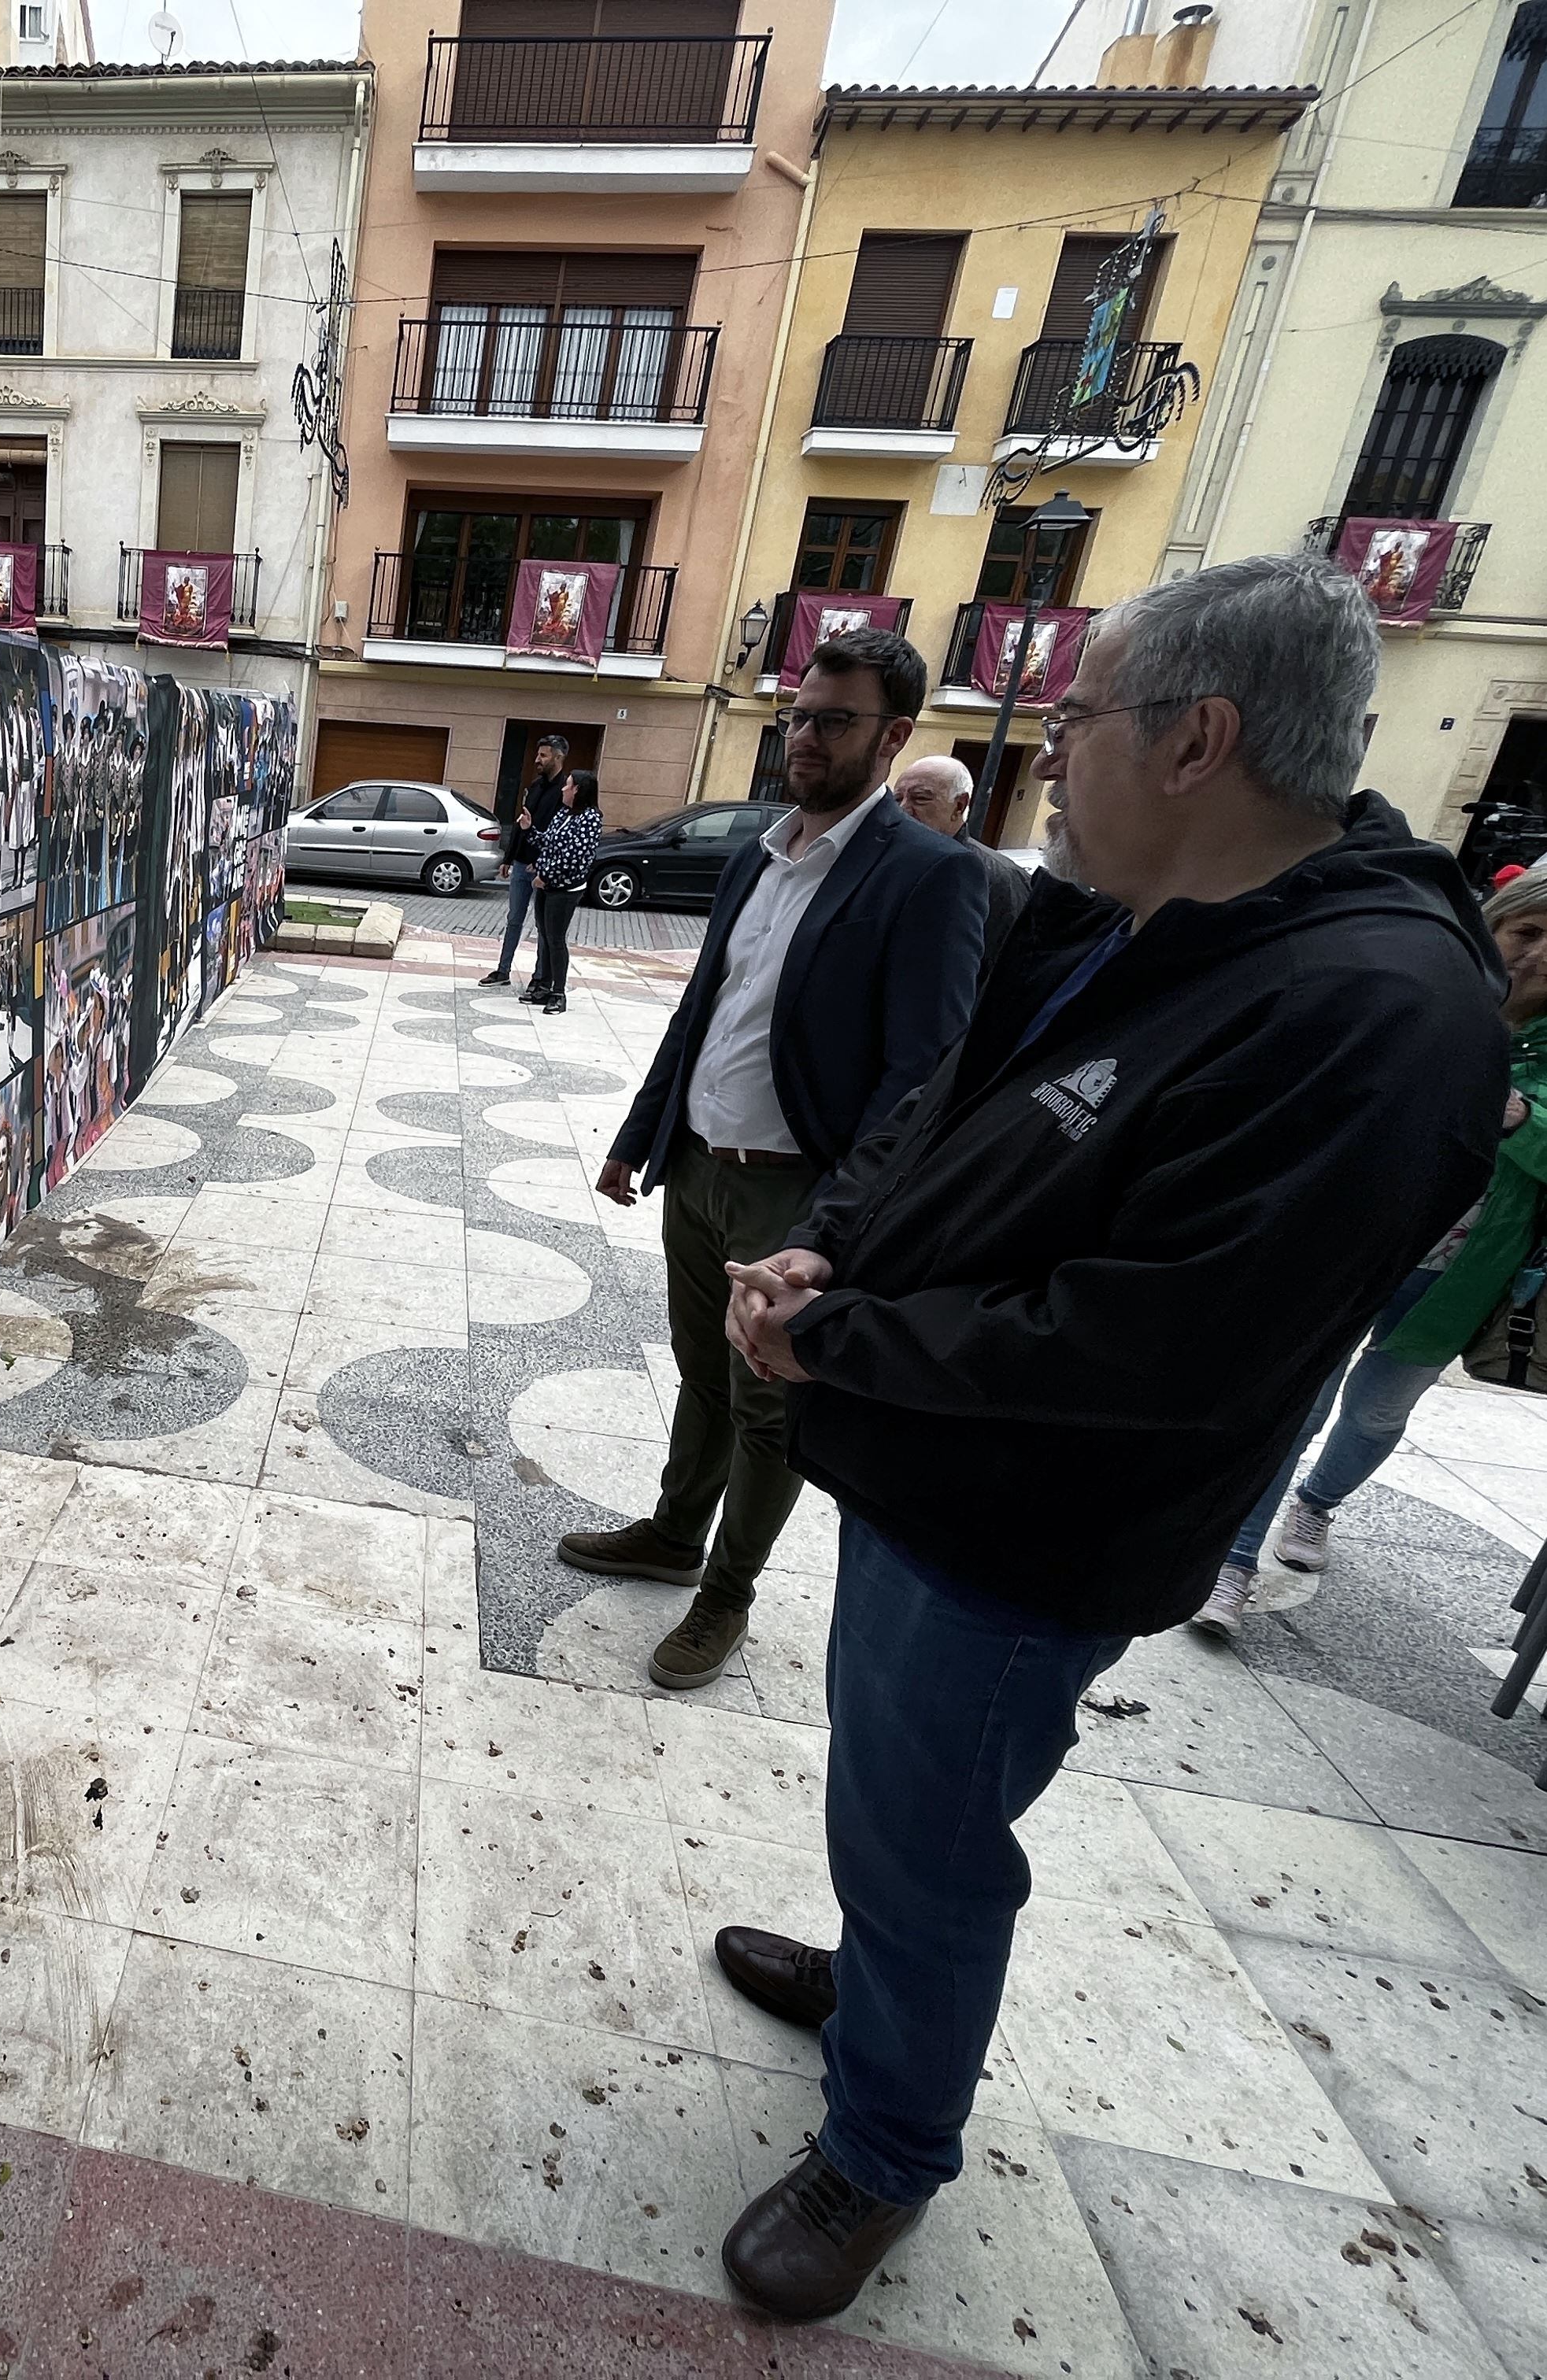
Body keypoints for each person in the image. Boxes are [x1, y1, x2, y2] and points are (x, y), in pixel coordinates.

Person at [706, 553, 1503, 2323]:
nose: (1046, 753)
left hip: (1027, 1526)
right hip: (920, 1457)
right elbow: (953, 1110)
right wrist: (836, 1245)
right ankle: (877, 1981)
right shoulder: (1125, 909)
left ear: (1198, 738)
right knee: (888, 1792)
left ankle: (882, 2148)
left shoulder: (1367, 1014)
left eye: (1073, 717)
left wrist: (835, 1336)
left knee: (931, 1829)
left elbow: (1147, 1351)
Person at [559, 630, 985, 1691]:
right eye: (796, 715)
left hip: (796, 1193)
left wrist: (829, 1230)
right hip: (698, 1168)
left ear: (890, 737)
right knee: (701, 1374)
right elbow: (706, 1010)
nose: (802, 736)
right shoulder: (763, 850)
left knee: (768, 1406)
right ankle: (670, 1533)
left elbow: (920, 1080)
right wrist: (638, 1134)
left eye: (831, 720)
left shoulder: (927, 875)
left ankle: (725, 1595)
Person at [1196, 865, 1547, 1632]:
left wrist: (1520, 1118)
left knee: (1378, 1415)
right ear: (1494, 923)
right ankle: (1232, 1561)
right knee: (1296, 1404)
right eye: (1527, 931)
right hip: (1360, 1241)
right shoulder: (1433, 995)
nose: (1538, 955)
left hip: (1461, 1275)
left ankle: (1316, 1505)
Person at [890, 753, 1031, 971]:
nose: (903, 809)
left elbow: (1007, 966)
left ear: (959, 805)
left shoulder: (999, 877)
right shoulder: (892, 862)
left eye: (920, 798)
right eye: (897, 799)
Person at [480, 735, 571, 987]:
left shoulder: (564, 792)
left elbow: (559, 833)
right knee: (514, 919)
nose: (537, 760)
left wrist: (543, 862)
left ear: (558, 757)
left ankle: (539, 977)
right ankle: (502, 970)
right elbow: (523, 823)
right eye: (538, 755)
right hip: (521, 864)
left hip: (543, 869)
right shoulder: (535, 786)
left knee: (543, 926)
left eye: (543, 755)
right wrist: (509, 857)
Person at [524, 770, 603, 1010]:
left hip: (566, 888)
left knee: (556, 939)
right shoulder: (563, 813)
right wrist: (530, 830)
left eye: (567, 785)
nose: (563, 789)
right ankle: (544, 987)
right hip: (545, 884)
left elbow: (575, 857)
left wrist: (545, 876)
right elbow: (548, 844)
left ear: (577, 789)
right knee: (545, 936)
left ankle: (558, 993)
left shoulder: (591, 818)